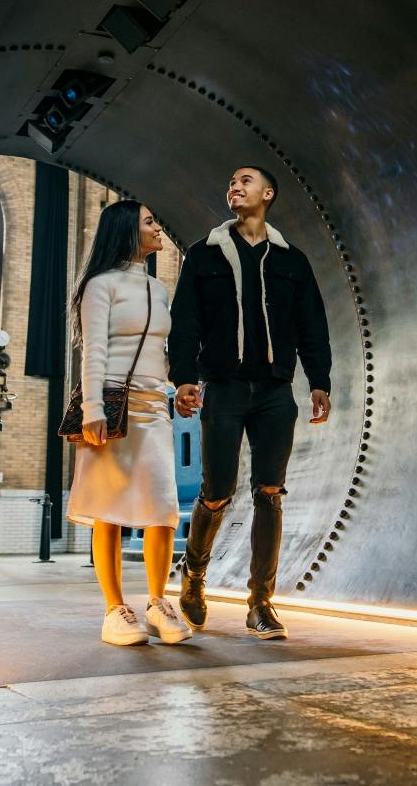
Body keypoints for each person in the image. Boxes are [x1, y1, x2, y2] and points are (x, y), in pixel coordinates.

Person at [169, 166, 332, 639]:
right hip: (224, 387)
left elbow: (312, 325)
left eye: (245, 181)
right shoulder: (203, 254)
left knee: (270, 492)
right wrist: (184, 379)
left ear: (268, 193)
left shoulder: (291, 260)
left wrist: (319, 381)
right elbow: (185, 322)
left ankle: (260, 601)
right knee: (217, 490)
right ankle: (194, 576)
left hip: (275, 391)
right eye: (231, 182)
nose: (235, 187)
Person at [66, 200, 193, 647]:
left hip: (155, 407)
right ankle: (114, 610)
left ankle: (158, 603)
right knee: (109, 508)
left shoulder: (159, 288)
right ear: (126, 230)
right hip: (113, 408)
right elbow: (93, 351)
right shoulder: (100, 285)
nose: (158, 228)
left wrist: (179, 386)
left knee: (163, 508)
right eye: (149, 222)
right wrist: (92, 409)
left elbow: (160, 351)